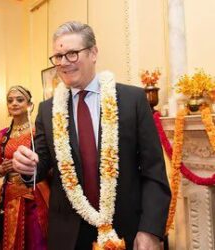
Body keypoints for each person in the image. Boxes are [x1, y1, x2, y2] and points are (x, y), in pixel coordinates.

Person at [12, 21, 171, 250]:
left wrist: (150, 230)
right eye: (58, 56)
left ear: (93, 52)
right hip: (68, 235)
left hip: (127, 230)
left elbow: (154, 173)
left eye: (72, 54)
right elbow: (40, 164)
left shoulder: (132, 101)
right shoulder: (47, 110)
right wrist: (27, 166)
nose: (64, 63)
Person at [0, 85, 49, 250]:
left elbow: (48, 164)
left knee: (36, 238)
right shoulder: (2, 135)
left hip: (35, 194)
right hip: (11, 196)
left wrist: (29, 166)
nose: (14, 103)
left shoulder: (38, 131)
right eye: (10, 101)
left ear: (30, 105)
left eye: (19, 100)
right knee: (12, 239)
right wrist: (3, 169)